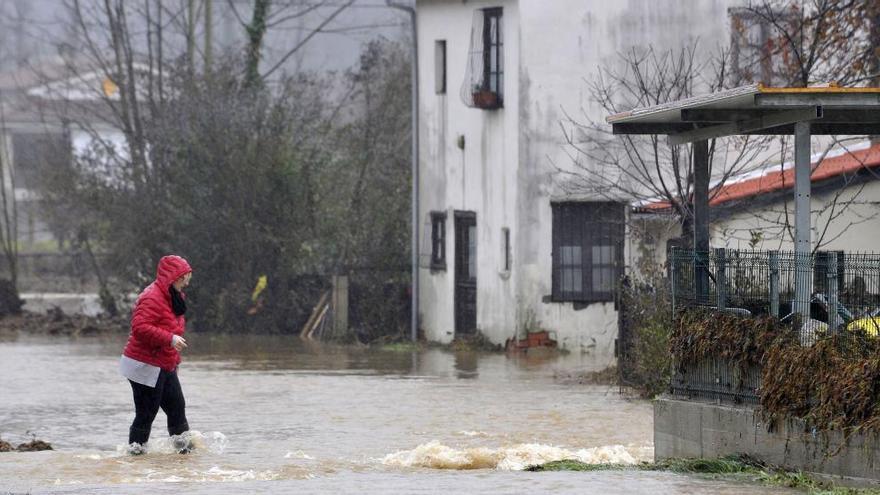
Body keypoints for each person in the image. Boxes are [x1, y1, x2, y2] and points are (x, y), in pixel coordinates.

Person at [119, 255, 193, 455]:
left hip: (164, 363)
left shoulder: (174, 297)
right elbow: (140, 327)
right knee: (146, 414)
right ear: (172, 277)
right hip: (144, 365)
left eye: (188, 277)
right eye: (183, 277)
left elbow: (174, 329)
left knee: (177, 408)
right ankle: (135, 457)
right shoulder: (151, 296)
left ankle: (185, 456)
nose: (186, 282)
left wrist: (174, 360)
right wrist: (169, 338)